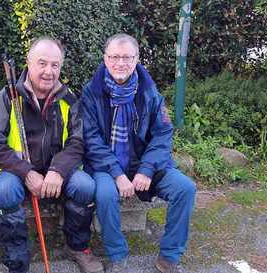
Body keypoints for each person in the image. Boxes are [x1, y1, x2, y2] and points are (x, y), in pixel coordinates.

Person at [0, 37, 103, 273]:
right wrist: (27, 173)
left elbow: (78, 142)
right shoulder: (8, 96)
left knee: (85, 186)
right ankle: (17, 261)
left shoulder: (69, 99)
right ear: (29, 62)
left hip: (56, 172)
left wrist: (57, 171)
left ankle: (77, 247)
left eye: (55, 65)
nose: (49, 71)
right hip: (18, 171)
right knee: (4, 192)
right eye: (42, 63)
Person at [80, 33, 197, 273]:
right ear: (105, 58)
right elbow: (90, 139)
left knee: (185, 188)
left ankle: (169, 257)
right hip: (105, 165)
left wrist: (146, 169)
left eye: (126, 57)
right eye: (114, 57)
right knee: (104, 194)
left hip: (143, 163)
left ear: (136, 59)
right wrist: (117, 174)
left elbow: (163, 134)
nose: (120, 63)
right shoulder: (91, 93)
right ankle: (117, 255)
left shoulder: (150, 93)